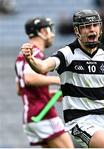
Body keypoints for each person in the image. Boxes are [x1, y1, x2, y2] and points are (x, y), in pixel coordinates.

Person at [20, 10, 104, 148]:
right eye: (86, 26)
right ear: (77, 30)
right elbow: (43, 67)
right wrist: (31, 60)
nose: (92, 29)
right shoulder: (67, 54)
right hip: (80, 121)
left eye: (95, 25)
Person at [15, 17, 74, 148]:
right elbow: (29, 79)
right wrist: (60, 80)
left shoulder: (22, 55)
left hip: (31, 115)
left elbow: (20, 89)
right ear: (42, 31)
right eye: (50, 30)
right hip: (43, 114)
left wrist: (50, 94)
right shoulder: (34, 52)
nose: (52, 34)